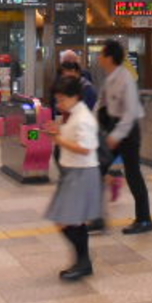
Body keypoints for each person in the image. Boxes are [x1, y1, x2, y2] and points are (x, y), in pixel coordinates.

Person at [44, 77, 101, 281]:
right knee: (67, 221)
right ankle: (83, 260)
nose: (59, 104)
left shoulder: (83, 118)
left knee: (69, 220)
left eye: (62, 99)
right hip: (72, 172)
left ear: (75, 96)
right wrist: (57, 131)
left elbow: (86, 148)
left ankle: (83, 262)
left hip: (82, 173)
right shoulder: (72, 114)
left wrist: (57, 139)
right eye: (57, 100)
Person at [94, 39, 152, 235]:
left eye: (102, 53)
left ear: (110, 57)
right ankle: (97, 217)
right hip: (114, 127)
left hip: (128, 130)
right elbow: (100, 105)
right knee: (98, 169)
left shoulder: (125, 78)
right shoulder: (110, 77)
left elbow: (131, 112)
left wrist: (117, 135)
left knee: (133, 173)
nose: (99, 57)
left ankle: (144, 219)